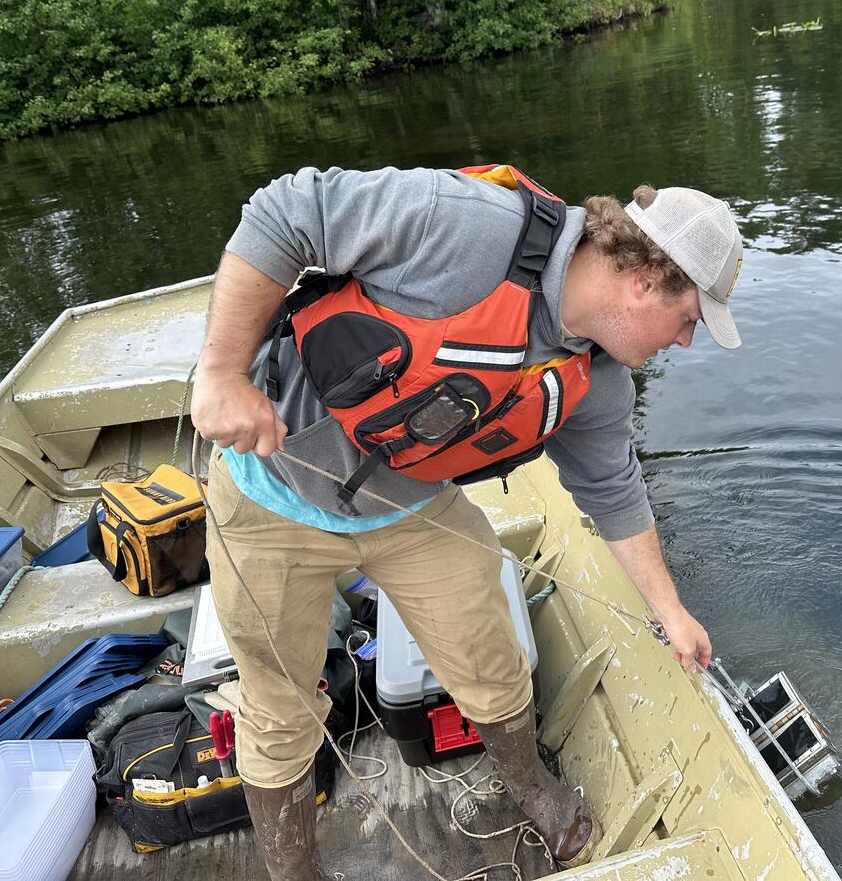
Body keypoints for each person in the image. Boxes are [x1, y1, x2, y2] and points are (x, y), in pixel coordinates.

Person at [191, 163, 744, 881]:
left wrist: (671, 612)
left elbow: (613, 491)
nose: (686, 342)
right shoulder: (465, 226)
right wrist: (222, 374)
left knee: (491, 657)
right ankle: (295, 871)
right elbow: (285, 211)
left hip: (411, 505)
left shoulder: (599, 382)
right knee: (279, 709)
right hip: (272, 491)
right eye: (689, 320)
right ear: (645, 280)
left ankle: (532, 789)